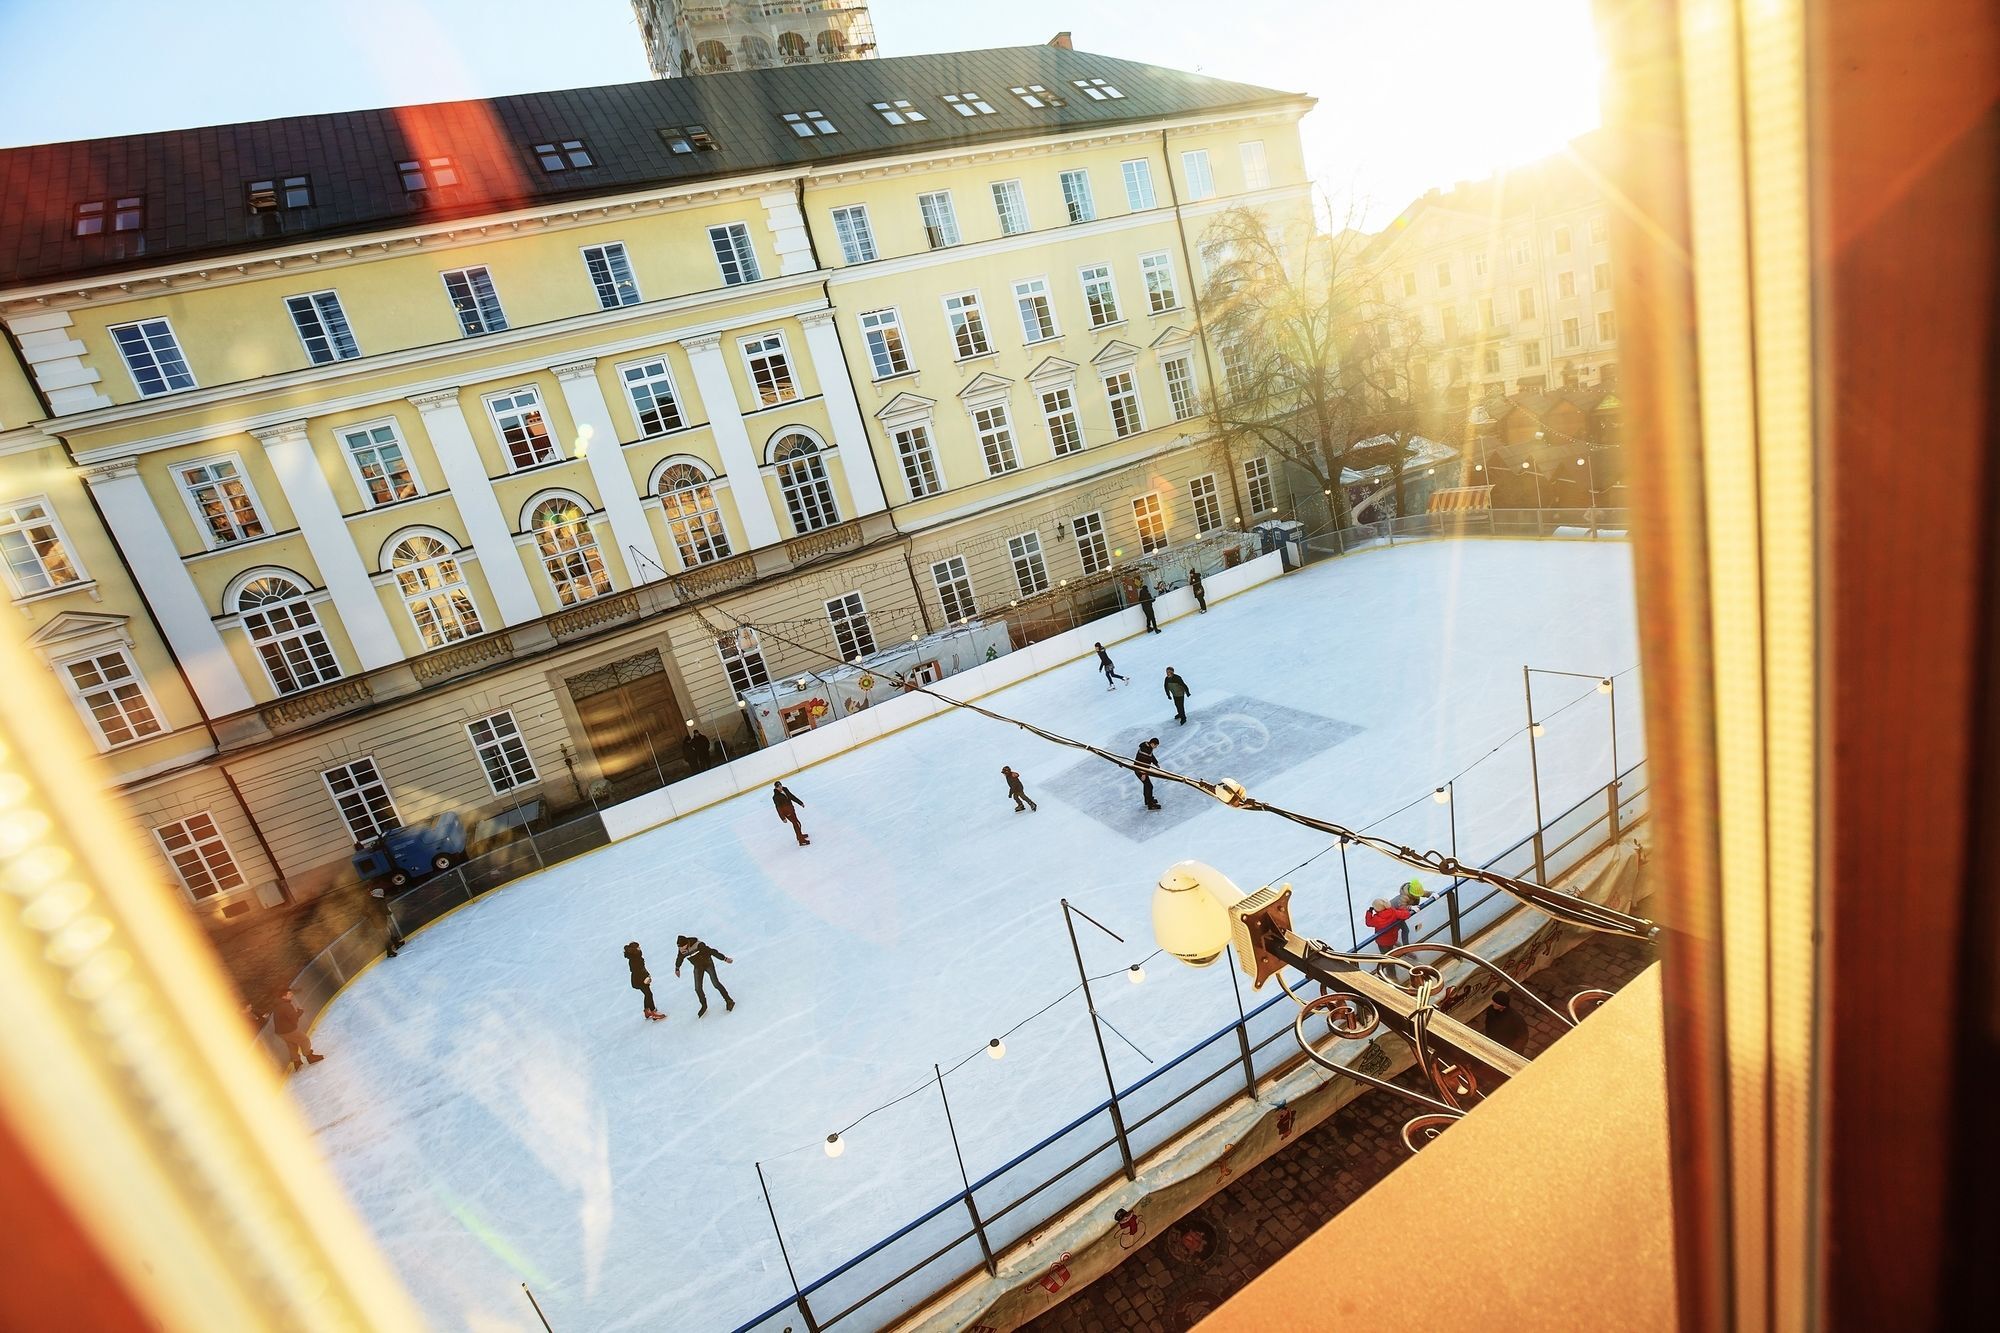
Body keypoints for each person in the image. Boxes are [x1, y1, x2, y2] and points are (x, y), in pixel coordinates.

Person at [674, 935, 736, 1016]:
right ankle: (704, 1005)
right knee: (697, 988)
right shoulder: (681, 949)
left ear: (687, 943)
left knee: (716, 983)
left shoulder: (698, 945)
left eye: (682, 946)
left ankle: (729, 1000)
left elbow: (712, 951)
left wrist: (724, 958)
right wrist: (677, 968)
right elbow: (679, 958)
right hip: (698, 967)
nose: (681, 949)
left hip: (707, 964)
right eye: (679, 947)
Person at [270, 988, 324, 1069]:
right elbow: (294, 1017)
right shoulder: (285, 1006)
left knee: (292, 1044)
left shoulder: (278, 1005)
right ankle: (310, 1057)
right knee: (304, 1040)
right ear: (284, 996)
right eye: (289, 994)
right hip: (288, 1030)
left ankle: (297, 1061)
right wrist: (300, 1011)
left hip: (281, 1032)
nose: (291, 995)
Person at [625, 941, 666, 1020]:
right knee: (649, 994)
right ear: (634, 950)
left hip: (639, 978)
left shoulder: (635, 957)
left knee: (647, 994)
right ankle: (653, 1012)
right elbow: (638, 970)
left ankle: (647, 1011)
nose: (639, 948)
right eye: (638, 947)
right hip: (640, 979)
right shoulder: (635, 959)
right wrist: (645, 978)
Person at [1484, 989, 1530, 1055]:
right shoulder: (1491, 1010)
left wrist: (1512, 1051)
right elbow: (1488, 1025)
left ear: (1502, 1006)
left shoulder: (1516, 1019)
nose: (1492, 1003)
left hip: (1507, 1048)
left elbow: (1523, 1036)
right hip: (1493, 1044)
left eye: (1495, 1002)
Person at [370, 884, 404, 958]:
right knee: (387, 935)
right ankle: (390, 951)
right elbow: (385, 911)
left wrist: (371, 916)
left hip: (375, 922)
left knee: (388, 933)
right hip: (381, 921)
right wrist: (389, 912)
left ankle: (396, 943)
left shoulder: (370, 902)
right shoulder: (380, 901)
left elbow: (363, 911)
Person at [772, 780, 809, 845]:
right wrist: (783, 818)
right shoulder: (776, 797)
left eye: (780, 785)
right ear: (776, 788)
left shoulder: (785, 789)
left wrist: (800, 803)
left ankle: (799, 836)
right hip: (787, 813)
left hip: (791, 810)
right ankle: (801, 841)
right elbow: (778, 808)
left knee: (797, 824)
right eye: (778, 786)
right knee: (797, 824)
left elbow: (791, 796)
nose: (780, 787)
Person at [1134, 737, 1164, 810]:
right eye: (1156, 746)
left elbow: (1151, 756)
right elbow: (1144, 763)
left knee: (1147, 785)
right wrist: (1144, 774)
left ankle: (1147, 800)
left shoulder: (1147, 747)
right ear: (1152, 743)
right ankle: (1151, 805)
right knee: (1149, 786)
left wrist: (1156, 763)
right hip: (1140, 770)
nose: (1156, 747)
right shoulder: (1145, 751)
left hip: (1141, 770)